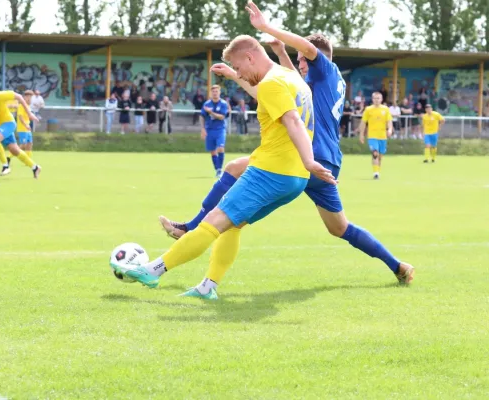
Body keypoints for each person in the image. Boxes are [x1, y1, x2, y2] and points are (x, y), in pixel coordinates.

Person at [159, 1, 413, 293]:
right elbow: (280, 84)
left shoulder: (325, 69)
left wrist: (265, 28)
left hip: (307, 157)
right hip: (324, 161)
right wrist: (256, 64)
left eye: (304, 60)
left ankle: (191, 230)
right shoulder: (321, 82)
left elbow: (302, 57)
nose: (300, 64)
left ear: (317, 58)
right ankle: (398, 266)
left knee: (233, 175)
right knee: (339, 228)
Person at [111, 34, 335, 299]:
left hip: (270, 171)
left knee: (212, 222)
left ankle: (153, 270)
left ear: (250, 57)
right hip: (294, 178)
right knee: (234, 225)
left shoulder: (272, 83)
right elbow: (271, 97)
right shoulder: (290, 77)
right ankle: (208, 287)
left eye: (240, 67)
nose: (240, 73)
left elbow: (292, 121)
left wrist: (310, 160)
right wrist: (233, 75)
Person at [0, 80, 41, 178]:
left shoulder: (0, 95)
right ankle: (35, 167)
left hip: (8, 123)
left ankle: (5, 166)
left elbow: (19, 97)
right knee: (15, 150)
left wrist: (30, 113)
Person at [359, 92, 392, 179]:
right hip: (372, 136)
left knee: (380, 156)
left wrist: (390, 129)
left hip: (382, 136)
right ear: (372, 99)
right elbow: (363, 122)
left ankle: (377, 170)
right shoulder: (368, 109)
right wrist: (361, 134)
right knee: (375, 153)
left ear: (381, 99)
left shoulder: (385, 109)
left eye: (378, 98)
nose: (376, 100)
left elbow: (389, 121)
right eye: (375, 98)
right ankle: (376, 173)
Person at [201, 85, 229, 178]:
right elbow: (202, 116)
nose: (215, 93)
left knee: (220, 147)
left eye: (216, 91)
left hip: (220, 129)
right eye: (213, 91)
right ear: (211, 93)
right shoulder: (207, 104)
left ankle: (220, 169)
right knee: (212, 151)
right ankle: (217, 170)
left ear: (219, 92)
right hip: (209, 129)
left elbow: (222, 117)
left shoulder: (223, 104)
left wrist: (211, 112)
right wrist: (202, 128)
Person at [17, 90, 35, 158]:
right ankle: (9, 157)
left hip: (27, 128)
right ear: (25, 97)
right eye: (29, 97)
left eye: (31, 97)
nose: (30, 99)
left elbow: (28, 116)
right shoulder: (21, 105)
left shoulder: (28, 106)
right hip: (22, 128)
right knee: (23, 145)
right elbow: (20, 117)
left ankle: (28, 159)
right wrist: (26, 125)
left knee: (30, 143)